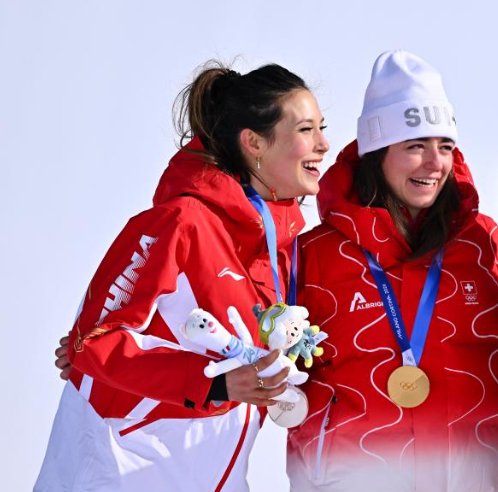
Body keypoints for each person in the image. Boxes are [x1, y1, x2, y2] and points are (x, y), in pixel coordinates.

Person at [36, 61, 330, 492]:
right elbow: (93, 342)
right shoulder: (179, 222)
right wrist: (216, 384)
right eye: (306, 129)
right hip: (123, 474)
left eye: (323, 128)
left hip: (219, 477)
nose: (324, 144)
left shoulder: (280, 250)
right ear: (253, 142)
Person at [285, 51, 498, 492]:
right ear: (377, 154)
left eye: (445, 146)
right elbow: (262, 366)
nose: (435, 163)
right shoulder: (313, 256)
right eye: (415, 146)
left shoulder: (484, 246)